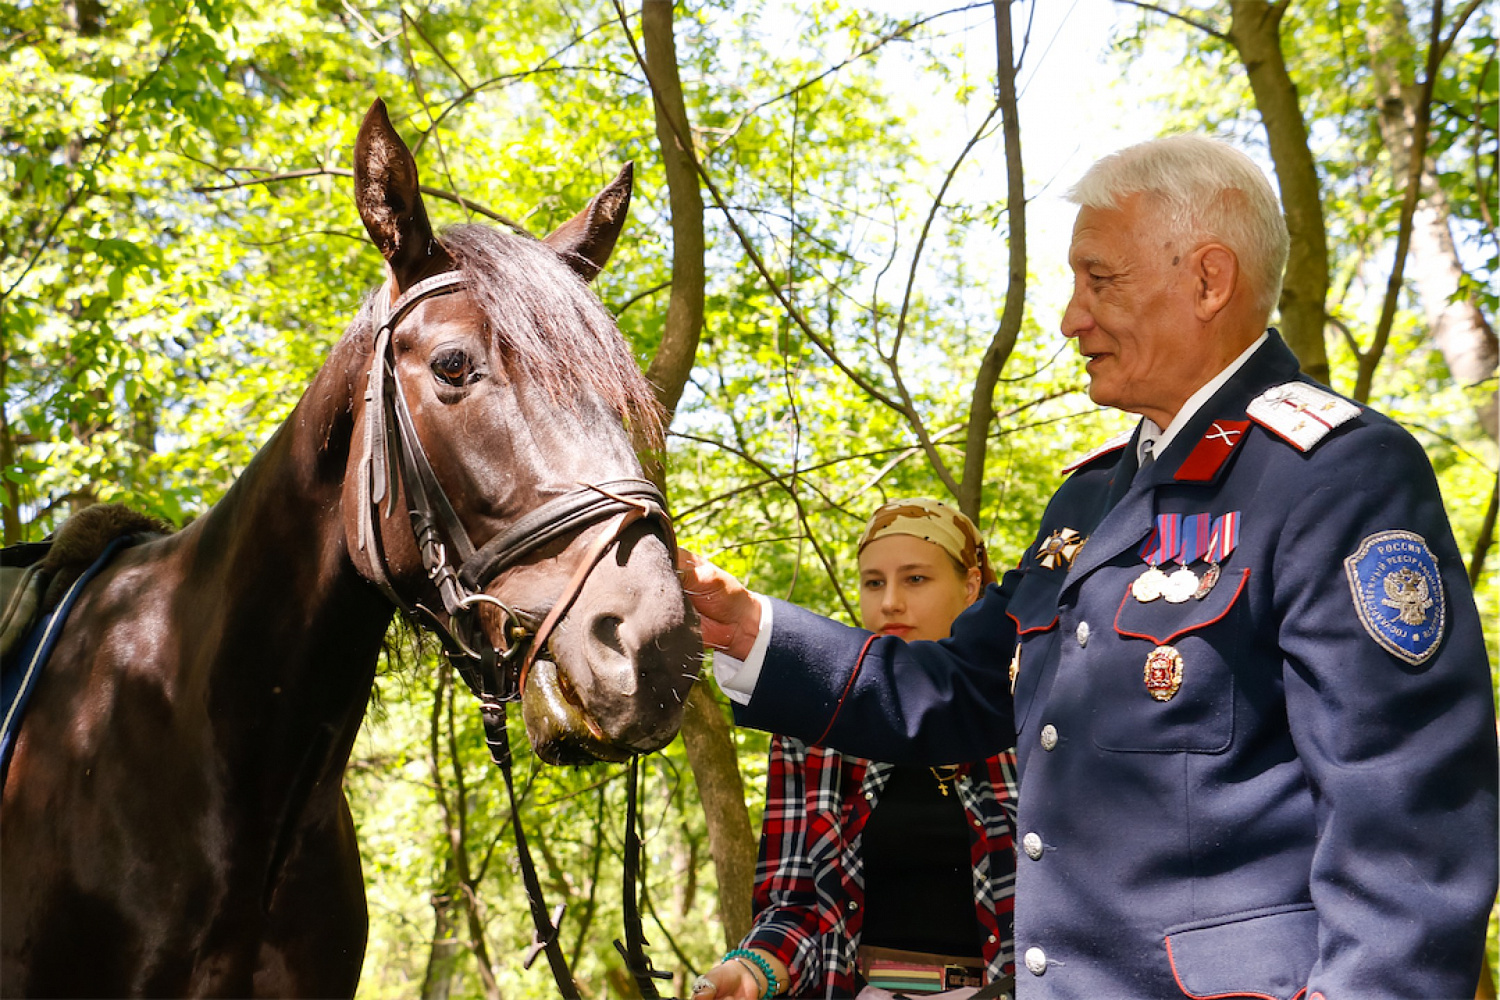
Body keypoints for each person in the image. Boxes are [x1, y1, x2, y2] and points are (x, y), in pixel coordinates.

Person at [681, 135, 1498, 999]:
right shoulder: (1089, 501)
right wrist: (750, 633)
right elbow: (961, 690)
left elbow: (1410, 833)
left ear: (1209, 281)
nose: (1071, 318)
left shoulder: (1332, 472)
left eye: (1099, 281)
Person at [692, 500, 1018, 1000]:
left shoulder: (1031, 705)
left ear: (972, 586)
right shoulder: (815, 722)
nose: (889, 602)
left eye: (915, 580)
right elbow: (795, 906)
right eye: (873, 582)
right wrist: (753, 970)